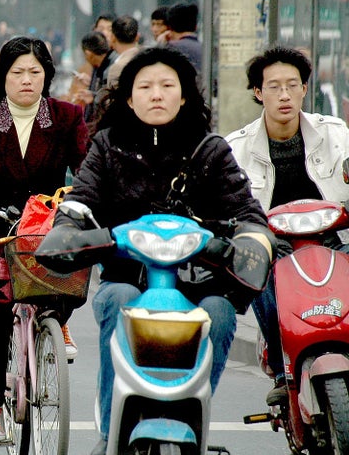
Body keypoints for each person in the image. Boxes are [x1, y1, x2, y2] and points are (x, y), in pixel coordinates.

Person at [46, 47, 271, 455]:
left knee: (220, 312)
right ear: (129, 98)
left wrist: (251, 240)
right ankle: (110, 427)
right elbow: (81, 201)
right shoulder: (107, 146)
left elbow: (246, 211)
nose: (156, 94)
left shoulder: (211, 149)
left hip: (198, 281)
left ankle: (193, 409)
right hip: (127, 277)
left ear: (183, 95)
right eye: (145, 86)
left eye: (167, 86)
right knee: (119, 298)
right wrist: (68, 227)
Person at [0, 36, 89, 443]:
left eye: (35, 72)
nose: (27, 80)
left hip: (47, 228)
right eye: (17, 72)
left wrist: (91, 201)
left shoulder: (66, 117)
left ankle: (57, 321)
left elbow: (87, 168)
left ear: (47, 75)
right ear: (2, 77)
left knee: (78, 261)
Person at [225, 46, 349, 406]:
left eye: (292, 85)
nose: (284, 95)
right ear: (258, 92)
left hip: (332, 239)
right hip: (274, 245)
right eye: (274, 86)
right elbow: (230, 208)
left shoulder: (337, 134)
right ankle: (282, 369)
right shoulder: (237, 148)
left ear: (305, 89)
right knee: (256, 268)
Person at [76, 31, 112, 125]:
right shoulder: (98, 67)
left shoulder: (110, 70)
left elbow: (110, 99)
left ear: (89, 54)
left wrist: (94, 97)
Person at [161, 2, 202, 72]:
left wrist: (161, 44)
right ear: (195, 27)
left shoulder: (170, 48)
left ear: (170, 27)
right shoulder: (205, 49)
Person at [105, 15, 141, 87]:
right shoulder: (151, 59)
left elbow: (114, 97)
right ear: (137, 37)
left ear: (113, 37)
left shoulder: (117, 68)